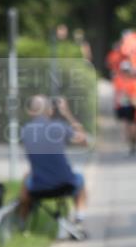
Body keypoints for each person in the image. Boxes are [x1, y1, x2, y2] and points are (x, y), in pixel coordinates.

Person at [18, 95, 89, 236]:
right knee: (80, 178)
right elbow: (84, 141)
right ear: (50, 111)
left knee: (26, 180)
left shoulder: (25, 131)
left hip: (38, 187)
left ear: (31, 112)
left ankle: (21, 224)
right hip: (66, 184)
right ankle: (79, 219)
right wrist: (67, 113)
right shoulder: (60, 127)